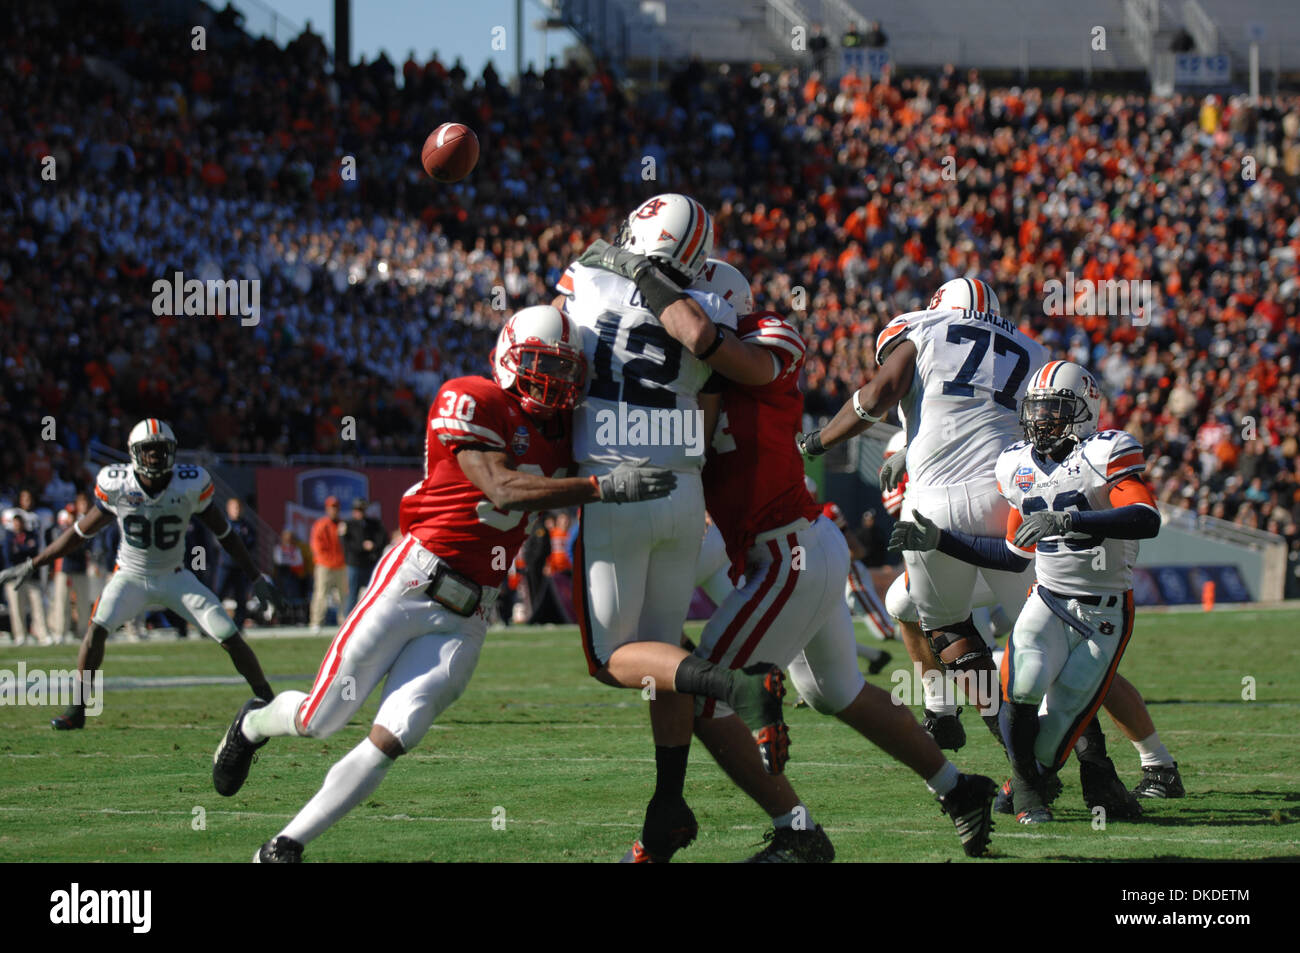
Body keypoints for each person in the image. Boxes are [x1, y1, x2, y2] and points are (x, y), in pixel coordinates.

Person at [211, 305, 675, 862]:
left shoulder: (567, 433)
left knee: (394, 735)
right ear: (507, 356)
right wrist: (603, 488)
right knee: (320, 718)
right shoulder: (472, 396)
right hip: (413, 580)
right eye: (539, 364)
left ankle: (284, 845)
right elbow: (500, 489)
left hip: (472, 613)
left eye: (564, 370)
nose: (552, 382)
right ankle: (255, 723)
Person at [680, 259, 996, 861]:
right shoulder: (703, 374)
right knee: (837, 692)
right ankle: (959, 789)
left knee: (702, 690)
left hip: (790, 550)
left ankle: (795, 832)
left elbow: (720, 357)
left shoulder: (766, 338)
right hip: (795, 549)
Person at [557, 198, 797, 862]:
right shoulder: (713, 304)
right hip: (681, 485)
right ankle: (668, 803)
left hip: (615, 479)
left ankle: (735, 686)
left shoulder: (589, 273)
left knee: (612, 659)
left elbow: (552, 342)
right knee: (662, 656)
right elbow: (709, 412)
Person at [890, 363, 1161, 822]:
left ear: (1084, 410)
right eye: (1035, 409)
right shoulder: (1017, 464)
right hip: (1048, 599)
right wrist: (940, 539)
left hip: (1103, 612)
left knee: (1058, 728)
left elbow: (1145, 516)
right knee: (1022, 686)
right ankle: (1032, 797)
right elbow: (1013, 556)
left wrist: (1071, 520)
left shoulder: (1105, 452)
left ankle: (1036, 779)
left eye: (1054, 409)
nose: (1041, 420)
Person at [799, 277, 1046, 749]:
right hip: (1007, 503)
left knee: (952, 629)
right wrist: (908, 451)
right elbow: (988, 419)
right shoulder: (1030, 349)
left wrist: (818, 441)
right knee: (1050, 632)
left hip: (938, 504)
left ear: (938, 307)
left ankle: (1016, 749)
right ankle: (944, 710)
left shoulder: (925, 328)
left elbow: (877, 397)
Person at [0, 419, 285, 730]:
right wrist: (34, 563)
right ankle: (78, 709)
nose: (155, 456)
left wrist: (256, 577)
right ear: (135, 453)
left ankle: (270, 701)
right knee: (95, 631)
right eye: (148, 450)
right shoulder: (118, 484)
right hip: (130, 575)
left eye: (161, 450)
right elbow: (79, 532)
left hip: (175, 576)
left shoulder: (188, 484)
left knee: (228, 634)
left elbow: (225, 533)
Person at [3, 489, 50, 644]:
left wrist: (21, 549)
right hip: (15, 574)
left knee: (37, 604)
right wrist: (24, 549)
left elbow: (34, 549)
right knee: (17, 607)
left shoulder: (32, 533)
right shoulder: (9, 537)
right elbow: (10, 555)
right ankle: (20, 635)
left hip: (31, 574)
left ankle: (42, 634)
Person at [215, 497, 257, 628]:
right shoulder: (223, 524)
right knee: (218, 594)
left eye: (239, 508)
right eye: (234, 508)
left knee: (241, 597)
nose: (237, 511)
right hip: (226, 565)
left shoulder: (246, 526)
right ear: (228, 509)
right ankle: (211, 623)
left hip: (240, 567)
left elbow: (251, 542)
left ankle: (238, 625)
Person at [309, 496, 346, 631]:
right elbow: (316, 546)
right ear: (327, 509)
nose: (334, 510)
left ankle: (344, 621)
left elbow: (346, 545)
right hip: (325, 565)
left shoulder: (343, 525)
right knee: (321, 594)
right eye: (331, 507)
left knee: (344, 596)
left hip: (341, 565)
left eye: (335, 507)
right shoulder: (321, 524)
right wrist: (325, 560)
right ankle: (316, 622)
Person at [342, 498, 386, 612]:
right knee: (352, 594)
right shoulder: (348, 524)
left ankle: (373, 619)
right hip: (354, 564)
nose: (359, 512)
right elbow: (346, 543)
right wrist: (362, 546)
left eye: (362, 510)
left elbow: (383, 538)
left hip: (369, 564)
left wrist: (374, 545)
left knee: (374, 593)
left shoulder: (373, 523)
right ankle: (348, 621)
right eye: (357, 510)